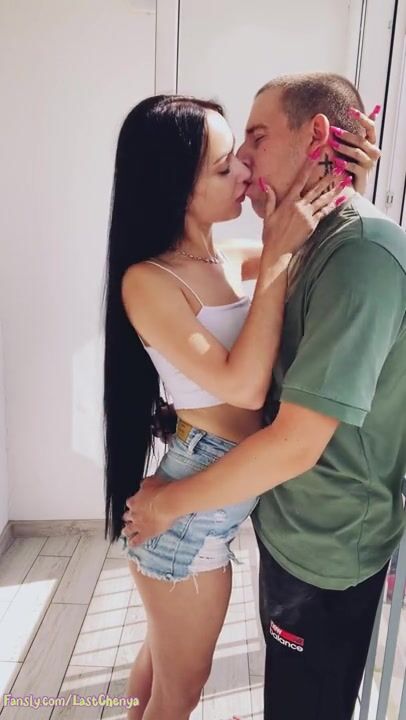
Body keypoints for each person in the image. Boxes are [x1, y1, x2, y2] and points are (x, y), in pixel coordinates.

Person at [122, 73, 406, 720]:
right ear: (176, 184)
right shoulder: (154, 278)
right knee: (177, 692)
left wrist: (342, 178)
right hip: (196, 505)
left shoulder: (229, 257)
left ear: (316, 136)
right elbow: (248, 383)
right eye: (226, 164)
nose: (245, 168)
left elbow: (328, 251)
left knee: (161, 676)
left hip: (223, 500)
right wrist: (170, 503)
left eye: (251, 143)